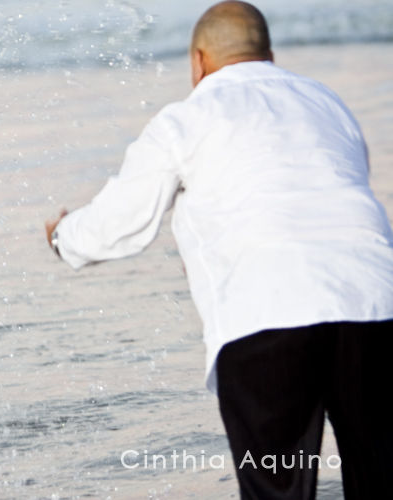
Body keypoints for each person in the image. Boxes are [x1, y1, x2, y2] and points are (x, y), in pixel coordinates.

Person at [44, 2, 393, 499]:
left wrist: (63, 237)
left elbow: (121, 223)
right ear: (267, 55)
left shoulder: (187, 118)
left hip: (267, 320)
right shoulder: (327, 102)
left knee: (277, 487)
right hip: (376, 306)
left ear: (198, 63)